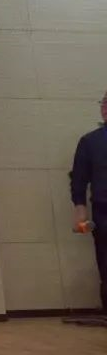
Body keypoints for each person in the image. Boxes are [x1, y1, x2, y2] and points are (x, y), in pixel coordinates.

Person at [70, 89, 107, 314]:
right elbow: (79, 179)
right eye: (104, 103)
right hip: (104, 211)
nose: (105, 107)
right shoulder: (90, 142)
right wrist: (80, 211)